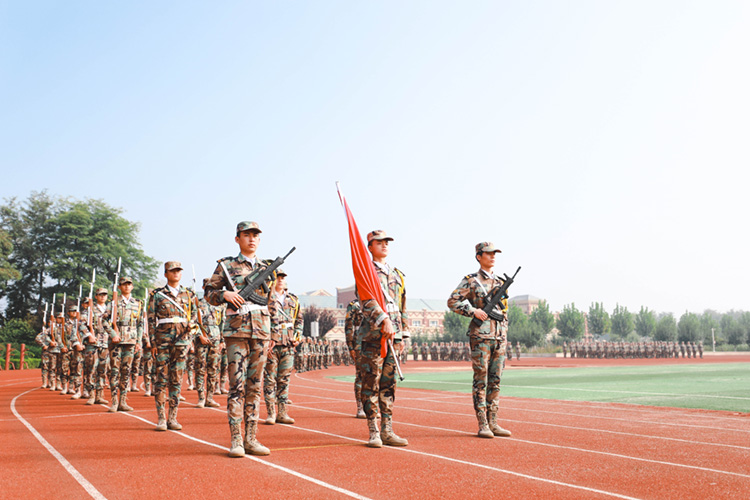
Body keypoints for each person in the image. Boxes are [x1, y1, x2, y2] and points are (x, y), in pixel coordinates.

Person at [204, 221, 279, 458]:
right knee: (237, 386)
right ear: (237, 239)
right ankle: (236, 439)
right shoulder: (226, 266)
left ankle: (251, 438)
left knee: (255, 387)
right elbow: (208, 293)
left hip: (261, 331)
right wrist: (224, 294)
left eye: (255, 235)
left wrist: (274, 332)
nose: (252, 239)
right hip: (236, 331)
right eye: (246, 235)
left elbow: (272, 301)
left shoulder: (267, 267)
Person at [448, 242, 512, 439]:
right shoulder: (471, 281)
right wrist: (473, 311)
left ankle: (493, 422)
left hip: (499, 337)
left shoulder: (500, 282)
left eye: (494, 254)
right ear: (479, 256)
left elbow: (504, 311)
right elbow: (452, 301)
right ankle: (483, 423)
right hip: (481, 337)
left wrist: (504, 333)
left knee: (496, 380)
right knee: (481, 380)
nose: (492, 257)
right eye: (488, 253)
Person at [357, 230, 409, 448]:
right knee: (371, 383)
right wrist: (383, 319)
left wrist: (403, 334)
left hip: (394, 337)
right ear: (370, 247)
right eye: (379, 242)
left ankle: (387, 429)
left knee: (389, 384)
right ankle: (374, 430)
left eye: (386, 242)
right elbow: (366, 300)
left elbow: (402, 306)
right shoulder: (365, 271)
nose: (384, 245)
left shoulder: (397, 275)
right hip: (373, 336)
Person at [148, 262, 198, 431]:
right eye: (172, 271)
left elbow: (195, 317)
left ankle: (173, 417)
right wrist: (152, 343)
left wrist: (191, 336)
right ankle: (161, 418)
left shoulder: (189, 294)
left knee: (176, 379)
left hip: (182, 341)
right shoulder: (157, 295)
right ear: (166, 274)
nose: (176, 273)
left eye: (178, 271)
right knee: (161, 379)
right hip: (163, 340)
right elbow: (151, 320)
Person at [263, 269, 303, 425]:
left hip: (288, 343)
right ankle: (271, 413)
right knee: (270, 379)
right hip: (271, 343)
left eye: (282, 277)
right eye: (277, 277)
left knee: (284, 380)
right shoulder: (266, 297)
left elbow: (299, 320)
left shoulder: (293, 299)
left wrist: (297, 337)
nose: (280, 280)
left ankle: (282, 412)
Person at [108, 277, 143, 412]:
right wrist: (113, 334)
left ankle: (123, 401)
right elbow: (103, 321)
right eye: (124, 284)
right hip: (116, 342)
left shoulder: (137, 303)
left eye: (129, 284)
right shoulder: (113, 303)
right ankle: (114, 401)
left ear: (132, 286)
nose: (127, 286)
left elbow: (140, 324)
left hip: (130, 341)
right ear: (119, 287)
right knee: (114, 371)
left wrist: (138, 341)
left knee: (126, 370)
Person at [194, 279, 224, 408]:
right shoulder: (197, 304)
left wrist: (222, 341)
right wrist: (199, 335)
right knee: (200, 369)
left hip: (215, 339)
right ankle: (201, 397)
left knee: (213, 369)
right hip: (202, 340)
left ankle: (210, 398)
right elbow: (193, 322)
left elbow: (222, 324)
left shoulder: (220, 306)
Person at [86, 288, 114, 405]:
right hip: (93, 342)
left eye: (104, 295)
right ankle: (91, 395)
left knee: (103, 369)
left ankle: (99, 395)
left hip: (106, 342)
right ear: (96, 296)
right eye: (100, 295)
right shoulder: (90, 309)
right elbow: (82, 324)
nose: (103, 297)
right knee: (91, 368)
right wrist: (89, 335)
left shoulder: (111, 309)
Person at [345, 299, 365, 418]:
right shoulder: (354, 305)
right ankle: (360, 406)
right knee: (361, 376)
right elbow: (349, 327)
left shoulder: (376, 301)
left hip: (375, 343)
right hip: (359, 344)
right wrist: (351, 347)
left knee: (374, 376)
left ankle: (371, 406)